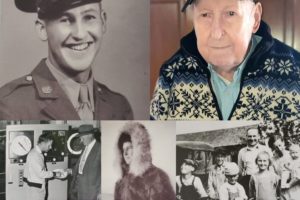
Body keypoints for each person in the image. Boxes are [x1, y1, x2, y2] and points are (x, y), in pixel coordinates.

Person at [150, 0, 300, 120]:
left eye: (230, 13)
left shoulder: (296, 71)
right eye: (205, 15)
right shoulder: (171, 74)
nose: (216, 33)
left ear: (255, 18)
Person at [0, 0, 133, 120]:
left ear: (103, 22)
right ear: (42, 29)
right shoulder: (11, 106)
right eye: (65, 20)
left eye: (89, 17)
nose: (80, 34)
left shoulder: (119, 106)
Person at [114, 122, 175, 200]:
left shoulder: (159, 178)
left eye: (129, 148)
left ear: (141, 149)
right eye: (123, 150)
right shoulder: (120, 185)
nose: (125, 154)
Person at [23, 132, 62, 200]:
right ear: (43, 143)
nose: (50, 147)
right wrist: (55, 174)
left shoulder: (37, 153)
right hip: (36, 190)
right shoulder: (35, 155)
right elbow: (41, 174)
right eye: (49, 145)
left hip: (36, 187)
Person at [67, 124, 101, 200]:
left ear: (90, 135)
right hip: (78, 190)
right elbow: (82, 168)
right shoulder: (85, 147)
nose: (81, 141)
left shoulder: (100, 149)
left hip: (91, 192)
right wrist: (70, 171)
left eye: (82, 138)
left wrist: (101, 192)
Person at [237, 128, 272, 196]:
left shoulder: (265, 149)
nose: (252, 138)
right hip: (248, 181)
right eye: (250, 136)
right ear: (246, 136)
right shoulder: (242, 152)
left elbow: (271, 167)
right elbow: (240, 171)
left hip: (264, 179)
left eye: (254, 136)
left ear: (258, 136)